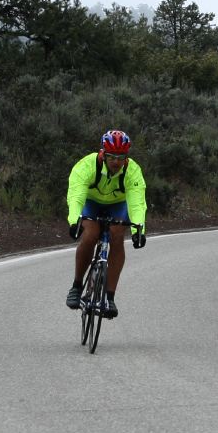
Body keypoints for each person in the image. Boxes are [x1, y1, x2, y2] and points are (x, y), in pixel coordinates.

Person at [65, 130, 147, 317]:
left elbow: (137, 203)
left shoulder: (132, 171)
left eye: (121, 157)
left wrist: (138, 230)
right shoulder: (87, 165)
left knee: (117, 237)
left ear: (126, 157)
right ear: (103, 153)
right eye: (111, 157)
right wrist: (74, 221)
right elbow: (76, 196)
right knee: (91, 235)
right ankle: (77, 286)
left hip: (118, 205)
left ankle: (109, 297)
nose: (116, 162)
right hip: (90, 203)